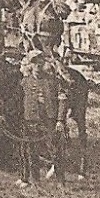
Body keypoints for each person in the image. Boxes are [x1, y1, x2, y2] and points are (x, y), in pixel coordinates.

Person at [17, 50, 65, 186]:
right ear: (30, 65)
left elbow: (62, 99)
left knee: (55, 151)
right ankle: (35, 182)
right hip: (30, 121)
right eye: (34, 62)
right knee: (31, 152)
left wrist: (60, 120)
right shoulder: (24, 82)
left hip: (48, 122)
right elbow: (18, 102)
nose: (37, 65)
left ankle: (61, 182)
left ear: (43, 63)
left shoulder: (52, 81)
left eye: (40, 62)